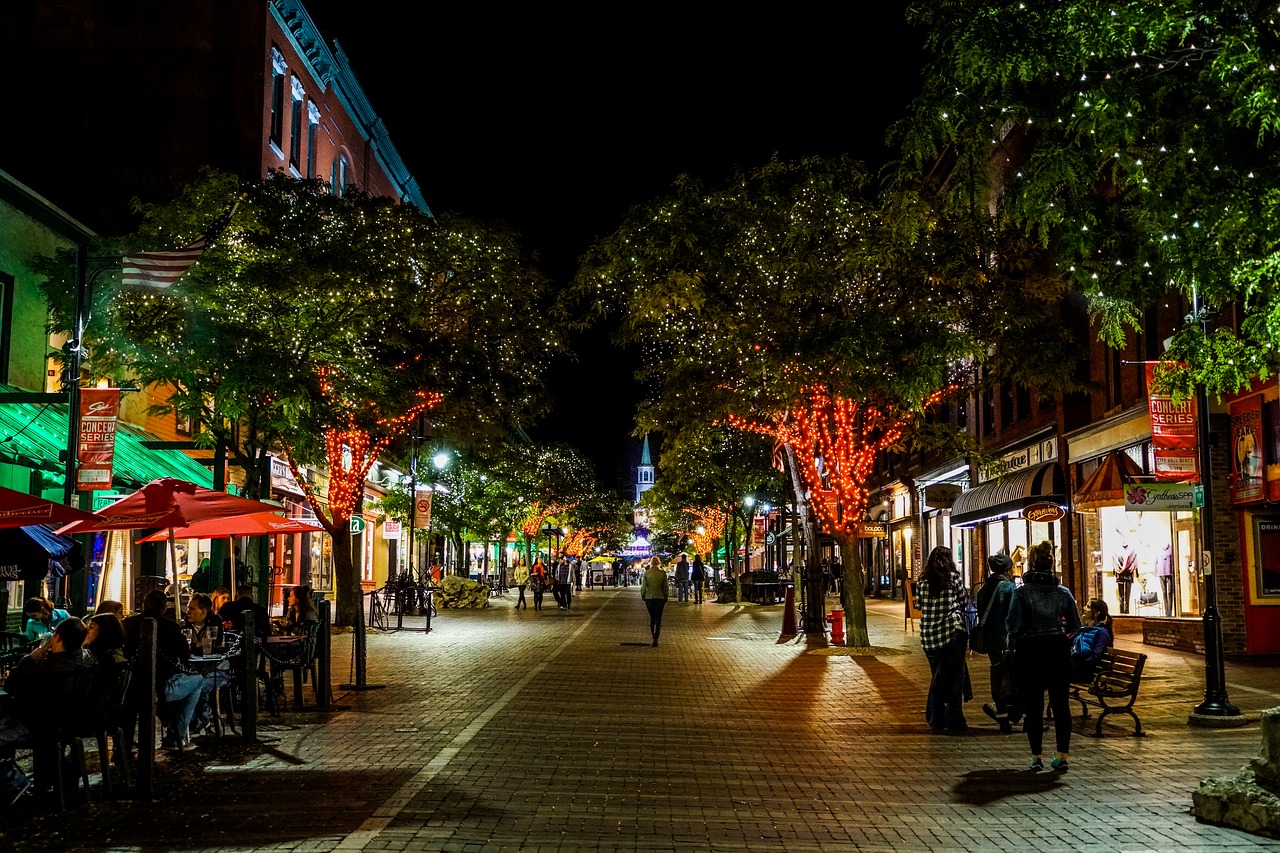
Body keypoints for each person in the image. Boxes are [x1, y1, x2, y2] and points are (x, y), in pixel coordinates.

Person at [0, 616, 97, 801]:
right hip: (65, 722)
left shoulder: (48, 668)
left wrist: (31, 657)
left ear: (57, 637)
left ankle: (10, 784)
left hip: (40, 726)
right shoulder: (86, 660)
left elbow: (11, 686)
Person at [1007, 541, 1081, 772]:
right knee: (1061, 705)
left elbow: (1012, 625)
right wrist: (1061, 636)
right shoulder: (1063, 592)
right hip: (1058, 651)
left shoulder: (1022, 593)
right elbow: (1076, 626)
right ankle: (1062, 755)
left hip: (1031, 652)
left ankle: (1036, 756)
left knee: (1034, 705)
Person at [123, 590, 203, 751]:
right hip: (162, 685)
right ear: (164, 608)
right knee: (198, 680)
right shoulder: (170, 626)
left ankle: (125, 744)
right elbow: (185, 655)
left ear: (144, 604)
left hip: (130, 686)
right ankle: (176, 735)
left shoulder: (128, 624)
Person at [918, 546, 970, 734]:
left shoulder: (922, 580)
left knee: (937, 677)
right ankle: (953, 721)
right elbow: (964, 602)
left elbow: (920, 604)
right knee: (954, 679)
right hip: (951, 633)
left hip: (929, 637)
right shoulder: (953, 578)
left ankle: (936, 720)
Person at [976, 553, 1020, 733]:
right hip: (1007, 639)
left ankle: (1003, 715)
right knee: (1012, 676)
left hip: (990, 640)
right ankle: (1013, 713)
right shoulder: (1010, 588)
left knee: (997, 673)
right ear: (1007, 569)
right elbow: (1015, 615)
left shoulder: (983, 589)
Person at [1070, 598, 1114, 683]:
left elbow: (1095, 656)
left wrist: (1078, 665)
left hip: (1085, 672)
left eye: (1088, 607)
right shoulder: (1084, 628)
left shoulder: (1102, 632)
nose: (1084, 608)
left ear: (1097, 613)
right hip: (1075, 666)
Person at [640, 556, 669, 647]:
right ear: (659, 563)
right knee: (658, 618)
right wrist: (666, 596)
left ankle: (653, 634)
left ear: (651, 563)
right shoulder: (662, 574)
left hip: (649, 598)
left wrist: (643, 595)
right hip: (660, 598)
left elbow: (643, 587)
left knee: (652, 617)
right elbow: (665, 587)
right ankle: (656, 637)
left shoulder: (647, 574)